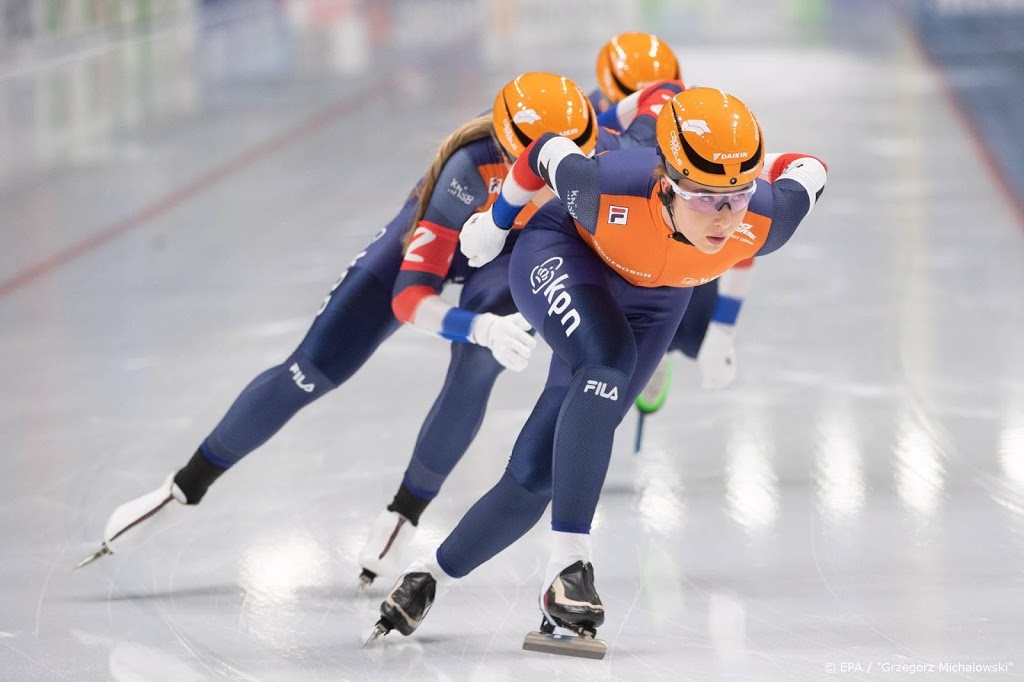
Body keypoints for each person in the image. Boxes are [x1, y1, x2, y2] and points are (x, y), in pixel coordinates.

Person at [74, 73, 600, 583]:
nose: (544, 185)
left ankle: (404, 514)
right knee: (309, 370)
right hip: (420, 260)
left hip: (503, 263)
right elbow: (409, 298)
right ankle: (184, 488)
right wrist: (478, 327)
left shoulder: (591, 156)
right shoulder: (467, 169)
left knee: (477, 372)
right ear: (508, 155)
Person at [370, 87, 828, 656]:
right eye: (707, 199)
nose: (726, 217)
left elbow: (808, 169)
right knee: (607, 364)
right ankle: (569, 567)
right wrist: (496, 221)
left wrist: (724, 325)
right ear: (667, 181)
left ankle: (427, 574)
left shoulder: (766, 218)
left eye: (737, 195)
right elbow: (543, 149)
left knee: (538, 473)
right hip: (564, 252)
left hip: (657, 300)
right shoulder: (604, 187)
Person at [590, 32, 759, 420]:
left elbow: (744, 235)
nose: (650, 114)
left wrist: (722, 330)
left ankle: (661, 348)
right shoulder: (597, 125)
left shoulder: (702, 125)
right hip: (624, 247)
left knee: (692, 331)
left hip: (682, 261)